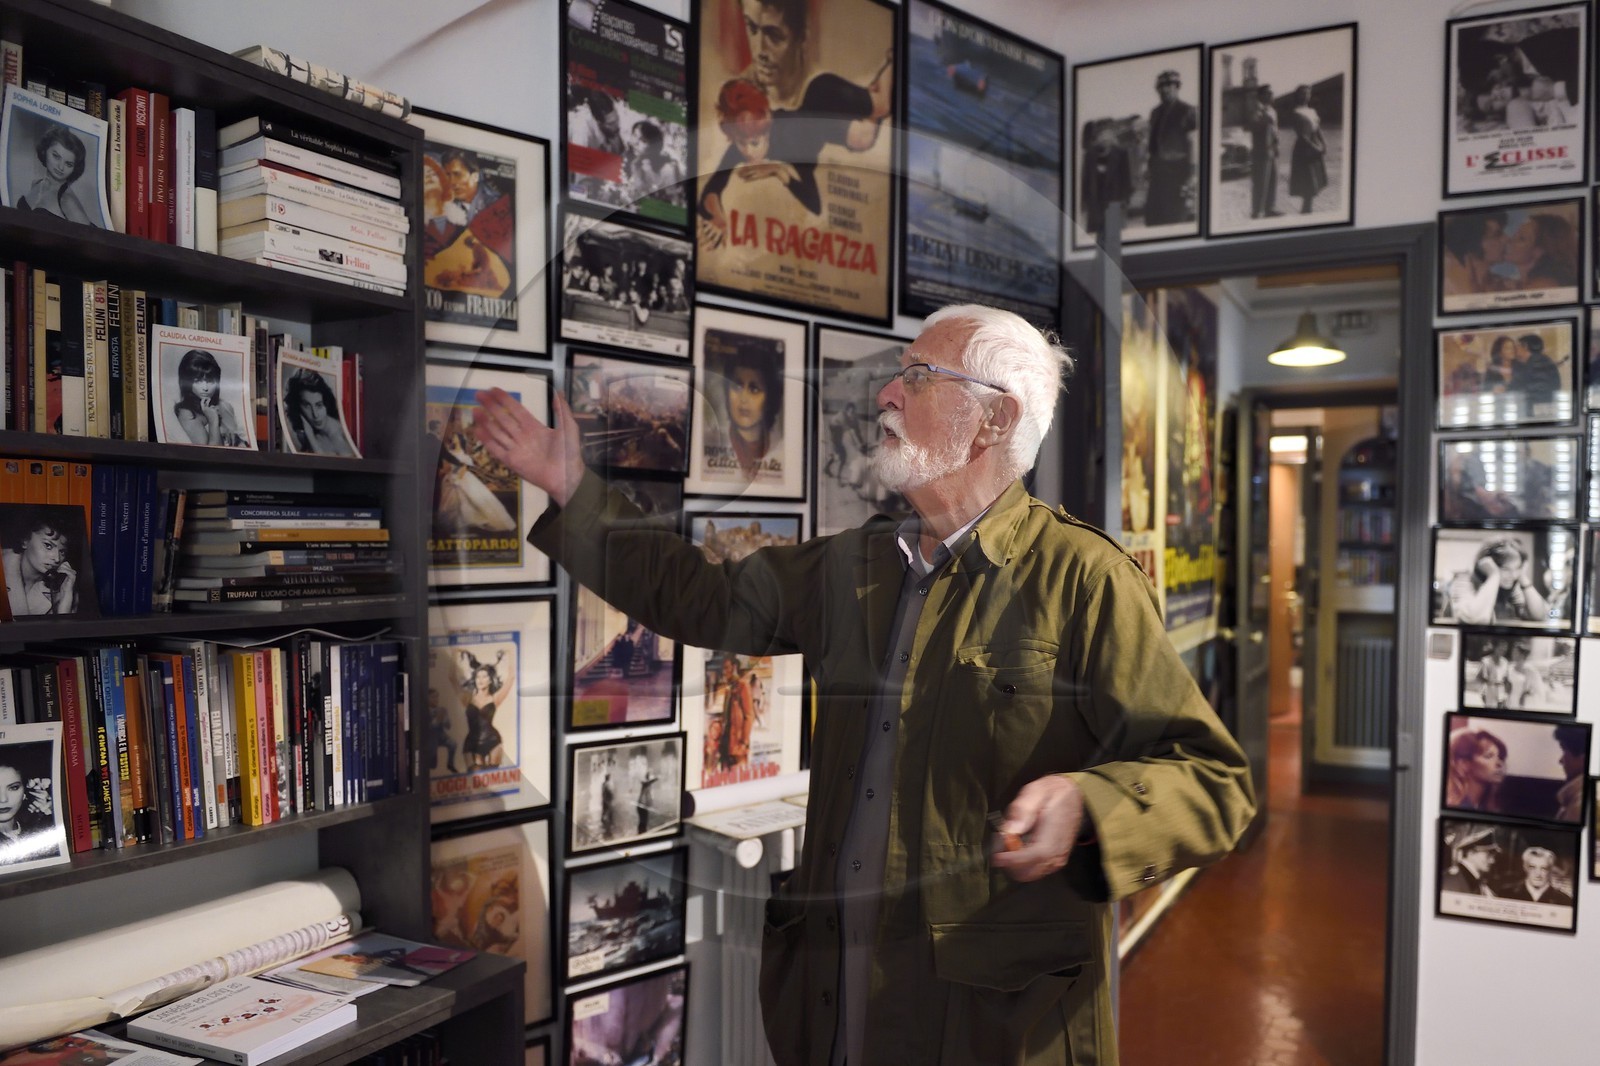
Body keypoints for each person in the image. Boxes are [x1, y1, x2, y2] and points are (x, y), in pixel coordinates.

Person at [470, 302, 1254, 1066]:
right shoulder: (853, 566)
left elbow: (1213, 783)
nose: (886, 393)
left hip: (988, 1024)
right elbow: (699, 595)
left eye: (916, 376)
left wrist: (1091, 804)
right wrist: (574, 486)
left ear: (995, 419)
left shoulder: (1085, 581)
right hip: (835, 1004)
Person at [706, 338, 784, 481]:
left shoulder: (782, 451)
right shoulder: (710, 441)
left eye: (754, 389)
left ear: (769, 399)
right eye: (737, 386)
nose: (743, 398)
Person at [1446, 537, 1550, 625]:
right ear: (1487, 565)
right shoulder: (1463, 582)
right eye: (1505, 569)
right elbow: (1475, 619)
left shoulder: (1511, 587)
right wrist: (1494, 576)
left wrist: (1523, 577)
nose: (1513, 575)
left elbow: (1540, 616)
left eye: (1517, 568)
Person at [17, 124, 97, 226]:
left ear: (75, 168)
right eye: (56, 156)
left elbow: (89, 239)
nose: (61, 167)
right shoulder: (36, 183)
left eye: (68, 164)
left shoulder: (67, 200)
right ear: (45, 151)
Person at [2, 513, 79, 616]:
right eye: (48, 546)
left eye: (62, 552)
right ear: (25, 540)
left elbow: (62, 631)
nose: (56, 559)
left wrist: (65, 601)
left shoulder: (65, 589)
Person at [1145, 69, 1195, 225]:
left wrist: (1192, 175)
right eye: (1160, 86)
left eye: (1169, 85)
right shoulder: (1155, 112)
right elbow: (1152, 143)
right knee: (1153, 218)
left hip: (1177, 173)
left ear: (1177, 87)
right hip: (1157, 173)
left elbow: (1194, 144)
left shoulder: (1187, 110)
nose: (1164, 89)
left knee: (1174, 218)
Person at [172, 348, 246, 447]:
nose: (205, 388)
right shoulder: (187, 413)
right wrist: (213, 420)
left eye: (210, 381)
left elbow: (241, 444)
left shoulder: (225, 406)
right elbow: (211, 455)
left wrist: (238, 440)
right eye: (198, 381)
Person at [0, 748, 59, 865]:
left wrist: (49, 816)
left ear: (25, 791)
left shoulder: (36, 829)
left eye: (13, 787)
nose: (3, 799)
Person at [458, 649, 512, 770]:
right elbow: (451, 677)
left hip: (493, 740)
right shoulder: (467, 698)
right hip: (472, 742)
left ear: (490, 679)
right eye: (478, 677)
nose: (480, 680)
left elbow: (511, 678)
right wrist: (455, 652)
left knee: (492, 775)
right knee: (475, 778)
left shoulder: (495, 698)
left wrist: (511, 651)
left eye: (484, 676)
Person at [283, 369, 356, 457]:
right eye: (307, 406)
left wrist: (311, 438)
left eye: (319, 405)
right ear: (298, 407)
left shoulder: (337, 435)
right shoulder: (306, 433)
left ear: (326, 404)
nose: (315, 414)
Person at [1078, 121, 1132, 238]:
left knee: (1112, 240)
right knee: (1095, 238)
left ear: (1113, 135)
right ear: (1098, 136)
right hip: (1095, 202)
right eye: (1102, 134)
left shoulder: (1121, 153)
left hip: (1114, 200)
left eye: (1108, 133)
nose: (1105, 137)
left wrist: (1125, 199)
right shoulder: (1090, 154)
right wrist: (1084, 202)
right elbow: (1085, 179)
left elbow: (1126, 178)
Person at [1440, 210, 1509, 299]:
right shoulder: (1448, 286)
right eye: (1497, 235)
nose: (1507, 239)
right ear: (1472, 243)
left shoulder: (1503, 285)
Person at [1505, 212, 1578, 292]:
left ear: (1539, 251)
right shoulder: (1517, 282)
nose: (1509, 240)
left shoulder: (1543, 286)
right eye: (1514, 235)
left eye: (1521, 238)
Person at [1285, 85, 1327, 215]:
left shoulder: (1312, 111)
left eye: (1308, 93)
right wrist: (1315, 148)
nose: (1305, 96)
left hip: (1315, 146)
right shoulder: (1295, 112)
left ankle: (1308, 209)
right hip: (1304, 149)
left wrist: (1324, 144)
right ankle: (1306, 212)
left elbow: (1317, 128)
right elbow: (1301, 135)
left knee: (1314, 183)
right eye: (1302, 93)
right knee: (1308, 183)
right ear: (1297, 96)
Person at [1445, 727, 1507, 812]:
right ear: (1463, 764)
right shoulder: (1455, 808)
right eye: (1488, 756)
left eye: (1499, 756)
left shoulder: (1485, 805)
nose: (1500, 763)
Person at [1245, 85, 1281, 219]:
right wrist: (1263, 119)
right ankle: (1257, 211)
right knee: (1260, 181)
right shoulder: (1256, 109)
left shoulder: (1272, 110)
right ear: (1260, 96)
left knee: (1273, 179)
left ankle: (1270, 208)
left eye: (1271, 93)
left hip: (1272, 149)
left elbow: (1276, 130)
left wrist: (1277, 145)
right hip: (1261, 150)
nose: (1270, 96)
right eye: (1266, 93)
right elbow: (1252, 126)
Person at [715, 655, 755, 771]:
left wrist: (744, 742)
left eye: (727, 668)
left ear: (735, 667)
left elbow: (749, 715)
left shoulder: (743, 686)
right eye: (723, 669)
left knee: (738, 774)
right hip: (726, 742)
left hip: (737, 743)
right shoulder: (729, 689)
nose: (724, 672)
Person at [1439, 824, 1499, 897]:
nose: (1492, 861)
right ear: (1471, 853)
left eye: (1493, 856)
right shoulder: (1451, 881)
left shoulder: (1481, 884)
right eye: (1488, 855)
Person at [1502, 845, 1573, 906]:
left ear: (1550, 870)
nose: (1538, 874)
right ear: (1525, 867)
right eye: (1532, 867)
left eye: (1544, 868)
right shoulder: (1506, 893)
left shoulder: (1564, 900)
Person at [1553, 723, 1586, 823]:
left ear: (1583, 756)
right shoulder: (1573, 797)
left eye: (1564, 751)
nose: (1560, 760)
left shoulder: (1579, 805)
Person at [1474, 639, 1512, 708]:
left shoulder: (1505, 662)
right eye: (1500, 648)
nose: (1502, 650)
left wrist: (1506, 695)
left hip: (1501, 692)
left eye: (1504, 649)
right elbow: (1478, 678)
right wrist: (1482, 692)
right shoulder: (1486, 661)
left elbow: (1506, 679)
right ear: (1495, 647)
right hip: (1489, 692)